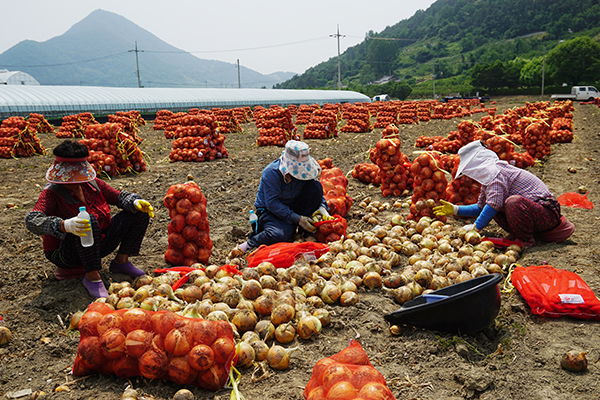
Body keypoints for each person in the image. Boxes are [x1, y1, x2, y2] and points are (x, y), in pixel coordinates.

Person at [25, 140, 155, 299]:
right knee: (87, 220)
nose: (75, 182)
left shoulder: (92, 184)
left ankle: (121, 261)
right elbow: (32, 220)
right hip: (66, 253)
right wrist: (64, 225)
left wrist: (134, 202)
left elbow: (119, 197)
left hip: (96, 245)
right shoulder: (51, 193)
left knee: (138, 212)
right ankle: (92, 277)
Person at [433, 140, 575, 247]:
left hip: (547, 214)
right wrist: (455, 209)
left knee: (511, 202)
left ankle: (526, 240)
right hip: (534, 216)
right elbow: (483, 207)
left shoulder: (497, 174)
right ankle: (520, 233)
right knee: (497, 206)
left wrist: (475, 228)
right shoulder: (488, 180)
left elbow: (493, 205)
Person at [229, 140, 330, 258]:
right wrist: (298, 219)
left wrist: (323, 207)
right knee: (279, 234)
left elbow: (316, 191)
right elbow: (272, 204)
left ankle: (304, 233)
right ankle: (249, 244)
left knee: (315, 187)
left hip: (293, 205)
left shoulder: (304, 172)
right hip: (270, 212)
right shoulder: (271, 173)